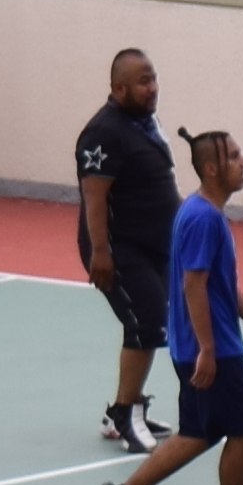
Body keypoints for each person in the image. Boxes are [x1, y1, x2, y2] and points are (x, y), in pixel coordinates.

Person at [101, 130, 243, 485]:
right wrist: (207, 349)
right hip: (213, 347)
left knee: (200, 432)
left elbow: (220, 283)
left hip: (203, 345)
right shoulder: (203, 218)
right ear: (212, 168)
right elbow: (193, 286)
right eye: (235, 156)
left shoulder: (200, 213)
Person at [75, 46, 179, 452]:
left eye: (153, 78)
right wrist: (101, 252)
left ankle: (124, 407)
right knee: (147, 323)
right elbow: (94, 197)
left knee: (151, 323)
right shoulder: (104, 132)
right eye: (142, 81)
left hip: (152, 248)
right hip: (119, 250)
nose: (152, 88)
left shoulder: (143, 124)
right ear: (118, 88)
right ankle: (124, 413)